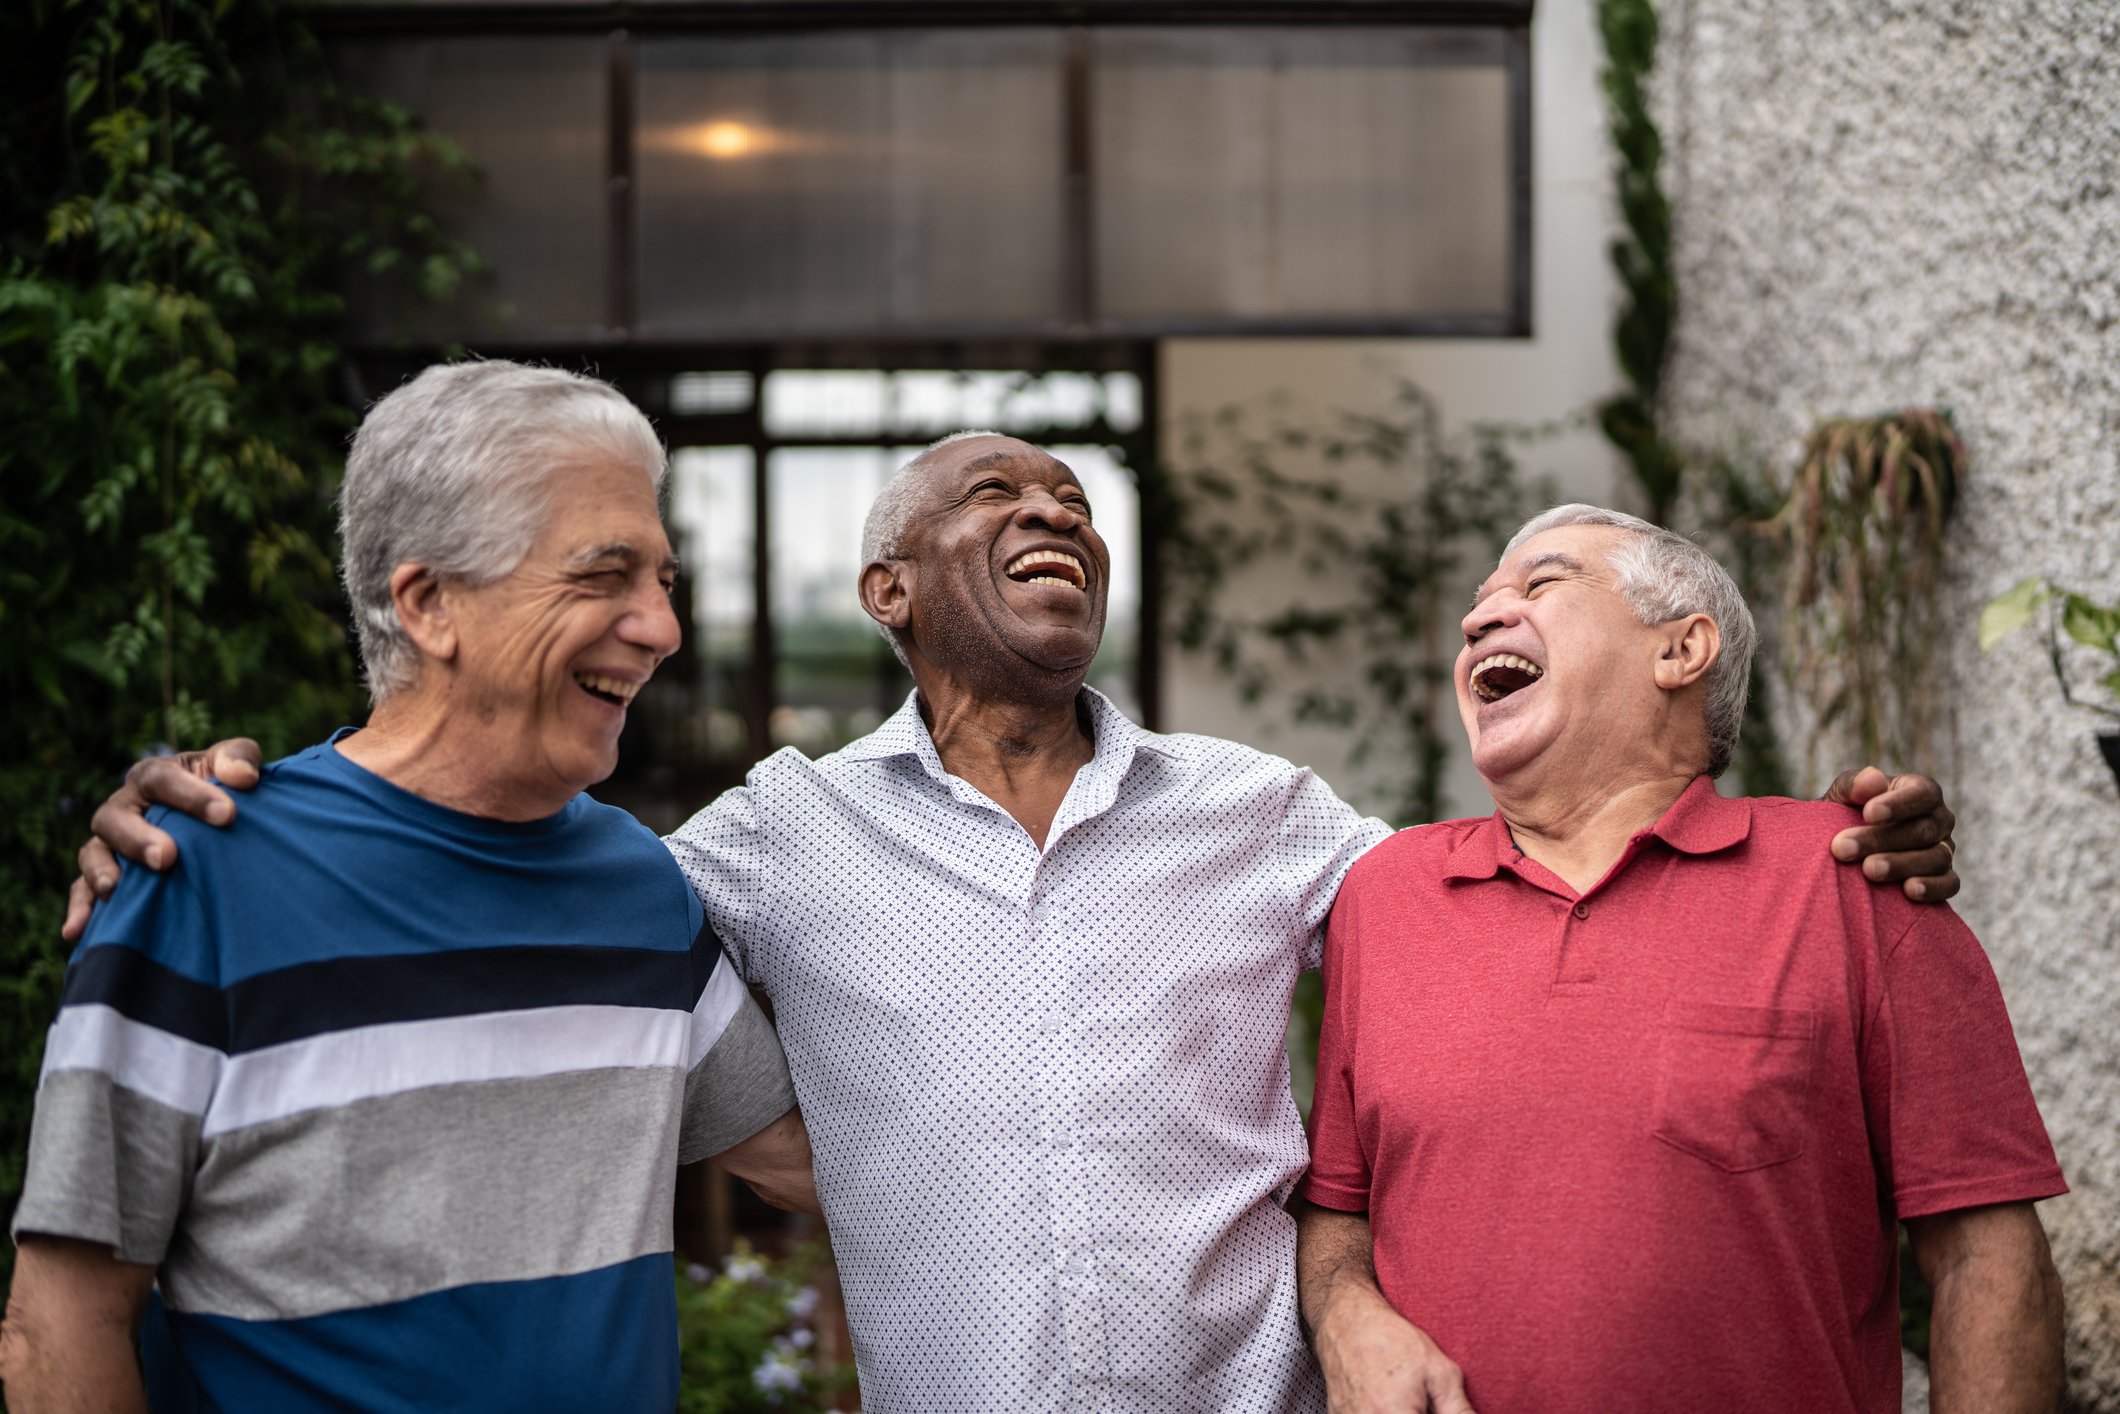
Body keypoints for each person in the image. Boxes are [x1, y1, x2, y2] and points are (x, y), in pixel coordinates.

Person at [60, 435, 1964, 1412]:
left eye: (1072, 498)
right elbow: (515, 873)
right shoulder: (768, 837)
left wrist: (1812, 844)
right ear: (890, 585)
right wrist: (204, 808)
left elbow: (1550, 899)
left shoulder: (1273, 814)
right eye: (995, 495)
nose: (1052, 510)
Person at [1, 362, 816, 1413]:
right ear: (429, 603)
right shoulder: (194, 876)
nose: (660, 628)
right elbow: (58, 1326)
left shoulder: (635, 886)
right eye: (603, 574)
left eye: (661, 579)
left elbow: (814, 1161)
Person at [1297, 505, 2065, 1414]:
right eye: (1480, 603)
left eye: (1540, 584)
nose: (1478, 620)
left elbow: (1987, 1254)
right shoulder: (1386, 895)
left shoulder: (1853, 878)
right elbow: (1339, 1208)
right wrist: (1345, 1314)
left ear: (1681, 650)